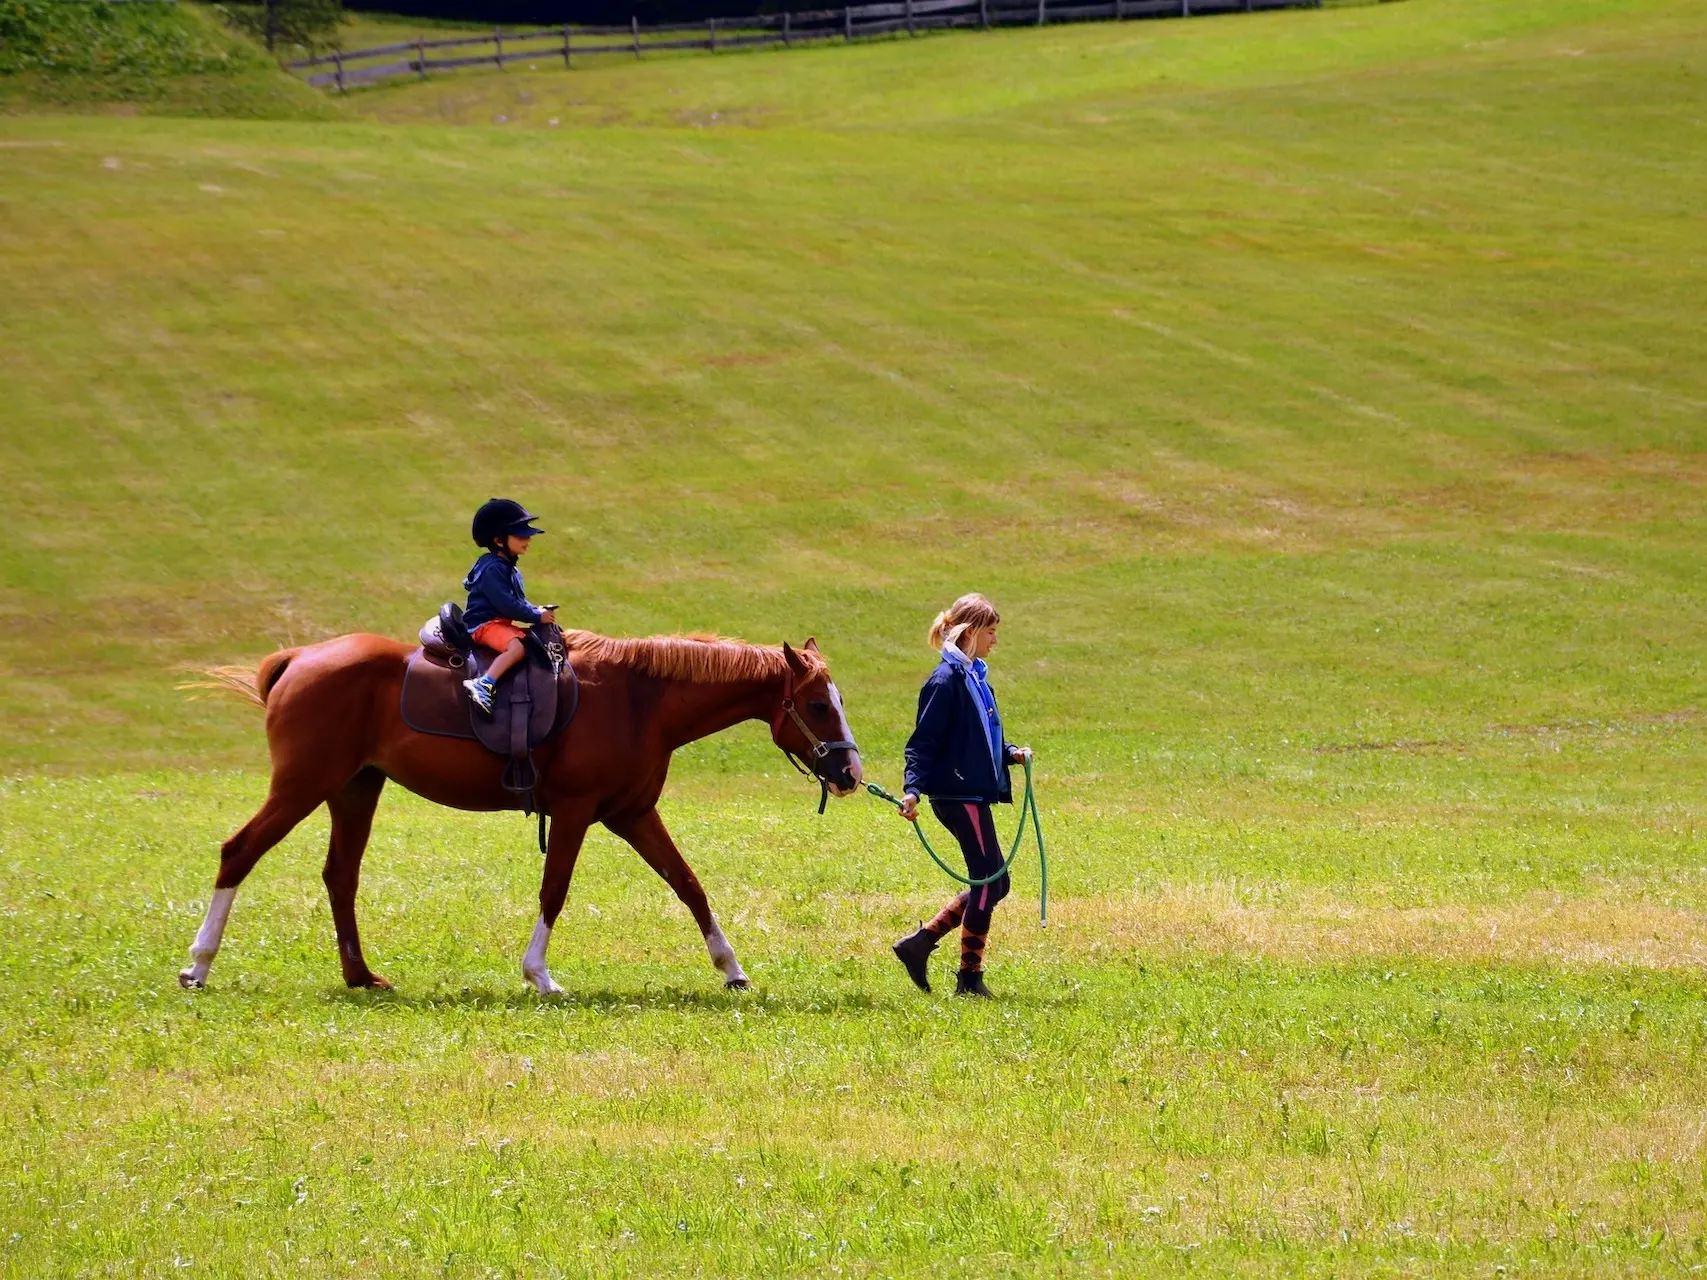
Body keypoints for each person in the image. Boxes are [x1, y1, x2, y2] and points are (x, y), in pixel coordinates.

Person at [890, 593, 1031, 998]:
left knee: (995, 883)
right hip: (957, 796)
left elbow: (979, 740)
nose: (995, 640)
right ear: (970, 632)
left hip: (972, 793)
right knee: (991, 881)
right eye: (990, 632)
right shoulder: (945, 681)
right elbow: (923, 741)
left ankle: (919, 944)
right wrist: (913, 789)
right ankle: (968, 979)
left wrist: (1010, 753)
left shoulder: (974, 678)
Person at [462, 498, 556, 715]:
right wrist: (536, 616)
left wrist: (536, 609)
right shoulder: (493, 570)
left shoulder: (509, 568)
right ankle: (484, 684)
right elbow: (508, 605)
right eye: (521, 535)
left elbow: (519, 602)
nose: (528, 539)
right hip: (484, 625)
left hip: (498, 622)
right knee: (517, 648)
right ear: (499, 540)